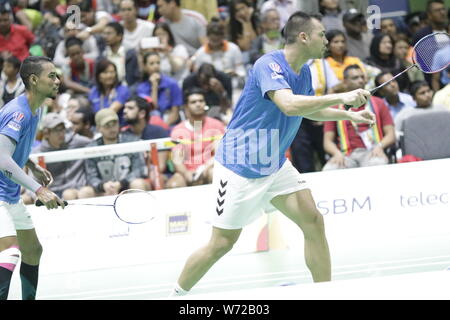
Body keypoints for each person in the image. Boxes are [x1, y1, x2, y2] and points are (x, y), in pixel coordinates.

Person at [170, 12, 376, 296]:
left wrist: (348, 116)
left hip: (274, 164)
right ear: (303, 37)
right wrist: (342, 96)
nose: (327, 41)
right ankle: (177, 295)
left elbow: (309, 108)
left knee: (313, 221)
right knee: (221, 243)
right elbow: (289, 105)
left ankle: (326, 293)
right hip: (240, 167)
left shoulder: (303, 71)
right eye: (322, 35)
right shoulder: (268, 64)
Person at [0, 56, 66, 300]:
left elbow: (7, 145)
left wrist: (30, 164)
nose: (58, 81)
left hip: (8, 193)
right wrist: (39, 190)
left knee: (32, 251)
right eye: (52, 76)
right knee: (9, 252)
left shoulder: (34, 108)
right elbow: (2, 159)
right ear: (34, 80)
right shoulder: (19, 113)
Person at [322, 65, 395, 171]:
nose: (361, 80)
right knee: (330, 169)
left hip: (372, 151)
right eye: (355, 78)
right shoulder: (335, 107)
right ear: (345, 82)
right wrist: (336, 153)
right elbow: (327, 141)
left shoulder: (378, 103)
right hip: (346, 155)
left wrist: (380, 146)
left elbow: (391, 134)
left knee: (377, 164)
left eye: (362, 77)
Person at [166, 87, 225, 188]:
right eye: (193, 102)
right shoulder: (178, 130)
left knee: (215, 174)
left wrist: (205, 168)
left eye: (201, 101)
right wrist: (186, 173)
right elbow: (177, 159)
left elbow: (219, 153)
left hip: (210, 167)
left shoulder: (216, 125)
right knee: (174, 184)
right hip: (187, 171)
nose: (198, 104)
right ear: (186, 107)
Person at [85, 108, 150, 196]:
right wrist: (103, 186)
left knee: (138, 184)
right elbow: (91, 177)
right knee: (85, 192)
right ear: (98, 128)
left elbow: (139, 169)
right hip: (104, 189)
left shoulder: (131, 141)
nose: (112, 128)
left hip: (127, 185)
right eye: (107, 125)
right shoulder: (92, 148)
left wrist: (121, 183)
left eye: (114, 124)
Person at [31, 113, 95, 201]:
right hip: (52, 191)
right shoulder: (38, 152)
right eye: (57, 130)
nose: (61, 133)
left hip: (75, 189)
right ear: (46, 133)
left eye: (63, 129)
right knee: (26, 199)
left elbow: (95, 144)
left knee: (70, 194)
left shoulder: (76, 141)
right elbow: (34, 180)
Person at [121, 96, 170, 175]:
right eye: (125, 108)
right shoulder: (123, 135)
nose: (125, 111)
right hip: (132, 178)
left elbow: (161, 166)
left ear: (142, 113)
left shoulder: (159, 132)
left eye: (130, 108)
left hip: (157, 175)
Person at [192, 18, 246, 87]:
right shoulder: (200, 53)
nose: (215, 43)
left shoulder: (234, 48)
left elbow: (241, 71)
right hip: (209, 86)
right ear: (208, 37)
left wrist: (236, 73)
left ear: (223, 37)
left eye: (218, 40)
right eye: (213, 40)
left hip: (232, 83)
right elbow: (197, 75)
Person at [135, 52, 182, 126]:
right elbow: (153, 108)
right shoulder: (142, 88)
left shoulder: (172, 83)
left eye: (158, 63)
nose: (156, 66)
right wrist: (154, 87)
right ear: (145, 66)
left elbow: (175, 113)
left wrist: (164, 127)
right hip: (152, 123)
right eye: (152, 63)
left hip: (170, 121)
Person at [88, 59, 131, 126]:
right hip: (99, 128)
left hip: (120, 128)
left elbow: (110, 112)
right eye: (105, 72)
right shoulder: (94, 91)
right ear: (98, 75)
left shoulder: (122, 89)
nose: (109, 75)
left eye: (112, 72)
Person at [99, 21, 141, 86]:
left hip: (127, 90)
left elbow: (135, 79)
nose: (105, 36)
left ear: (119, 36)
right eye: (104, 33)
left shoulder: (130, 55)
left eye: (109, 33)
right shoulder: (102, 56)